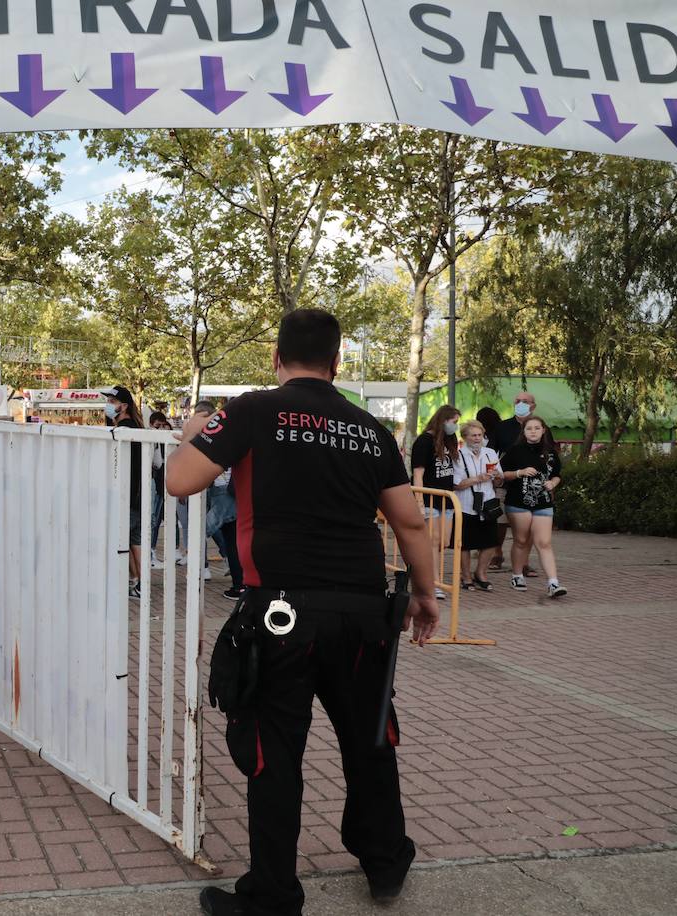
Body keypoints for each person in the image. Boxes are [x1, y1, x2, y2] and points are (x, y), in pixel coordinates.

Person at [165, 309, 439, 916]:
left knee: (274, 751)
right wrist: (425, 593)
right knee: (370, 741)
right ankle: (386, 864)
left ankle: (272, 896)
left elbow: (180, 480)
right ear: (337, 363)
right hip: (366, 614)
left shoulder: (253, 411)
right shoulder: (370, 428)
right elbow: (411, 521)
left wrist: (195, 428)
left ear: (275, 358)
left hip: (282, 615)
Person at [499, 416, 567, 598]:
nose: (533, 431)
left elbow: (557, 474)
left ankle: (553, 583)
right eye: (529, 428)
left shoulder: (551, 453)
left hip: (543, 503)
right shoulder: (514, 451)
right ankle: (517, 575)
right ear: (524, 432)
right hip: (518, 502)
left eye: (537, 428)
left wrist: (553, 483)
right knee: (521, 540)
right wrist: (519, 472)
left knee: (544, 542)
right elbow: (501, 474)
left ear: (543, 430)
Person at [410, 405, 460, 600]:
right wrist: (419, 501)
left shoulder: (449, 440)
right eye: (453, 422)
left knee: (444, 542)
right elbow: (418, 474)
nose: (455, 427)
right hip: (430, 498)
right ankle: (433, 582)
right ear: (443, 420)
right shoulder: (424, 441)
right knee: (434, 541)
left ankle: (427, 576)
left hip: (447, 499)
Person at [486, 395, 539, 577]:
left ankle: (524, 562)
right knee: (500, 522)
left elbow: (549, 453)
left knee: (529, 526)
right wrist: (493, 476)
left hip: (532, 485)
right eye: (517, 401)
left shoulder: (539, 427)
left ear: (533, 406)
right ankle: (497, 553)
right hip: (505, 482)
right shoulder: (502, 427)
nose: (521, 405)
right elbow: (491, 453)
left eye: (525, 402)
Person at [101, 384, 144, 599]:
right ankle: (139, 582)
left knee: (124, 540)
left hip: (128, 493)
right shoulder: (135, 425)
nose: (108, 405)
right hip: (136, 493)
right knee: (135, 541)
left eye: (112, 402)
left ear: (124, 406)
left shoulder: (124, 429)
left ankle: (135, 581)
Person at [452, 420, 505, 591]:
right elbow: (456, 484)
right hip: (465, 504)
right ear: (465, 437)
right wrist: (477, 479)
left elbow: (499, 480)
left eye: (480, 435)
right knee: (465, 543)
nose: (477, 439)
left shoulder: (490, 453)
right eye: (473, 435)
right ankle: (466, 577)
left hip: (487, 502)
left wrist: (497, 476)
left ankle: (481, 573)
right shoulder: (458, 456)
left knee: (490, 541)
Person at [148, 412, 174, 569]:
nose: (161, 429)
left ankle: (151, 552)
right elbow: (157, 463)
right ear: (151, 424)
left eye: (163, 426)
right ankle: (150, 553)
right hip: (156, 485)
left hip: (160, 485)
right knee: (153, 521)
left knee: (155, 521)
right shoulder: (153, 440)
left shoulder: (161, 441)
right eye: (158, 426)